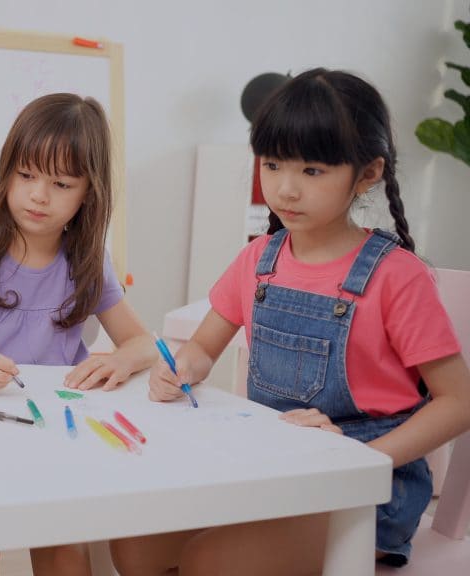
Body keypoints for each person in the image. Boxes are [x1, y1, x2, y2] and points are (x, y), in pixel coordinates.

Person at [110, 68, 470, 575]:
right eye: (273, 164)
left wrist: (358, 461)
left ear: (367, 174)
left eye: (312, 171)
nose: (285, 189)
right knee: (133, 545)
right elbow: (203, 349)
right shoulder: (258, 259)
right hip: (273, 467)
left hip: (365, 490)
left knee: (210, 562)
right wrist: (181, 368)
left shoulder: (396, 277)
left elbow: (458, 403)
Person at [0, 93, 156, 576]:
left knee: (66, 554)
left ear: (88, 192)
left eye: (61, 183)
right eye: (26, 176)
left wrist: (120, 359)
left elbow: (144, 342)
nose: (39, 196)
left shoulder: (88, 263)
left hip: (54, 433)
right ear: (6, 174)